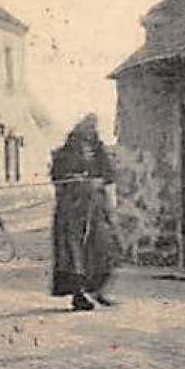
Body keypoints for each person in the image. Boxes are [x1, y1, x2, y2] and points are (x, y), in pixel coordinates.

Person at [50, 114, 118, 311]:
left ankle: (98, 291)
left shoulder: (99, 151)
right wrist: (73, 179)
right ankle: (78, 296)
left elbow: (109, 175)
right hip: (71, 211)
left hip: (95, 209)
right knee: (74, 254)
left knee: (102, 249)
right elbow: (58, 178)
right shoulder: (64, 154)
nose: (88, 136)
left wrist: (96, 181)